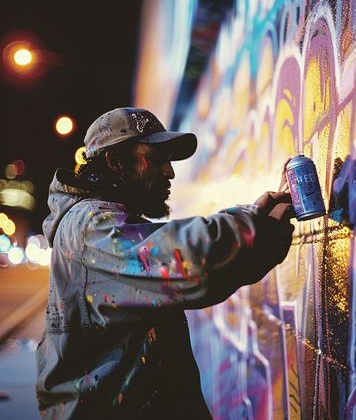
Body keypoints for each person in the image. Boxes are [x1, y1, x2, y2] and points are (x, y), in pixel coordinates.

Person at [36, 107, 295, 419]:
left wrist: (262, 230)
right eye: (156, 158)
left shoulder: (97, 222)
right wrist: (255, 223)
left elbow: (199, 272)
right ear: (115, 162)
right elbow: (188, 264)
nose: (170, 172)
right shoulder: (91, 226)